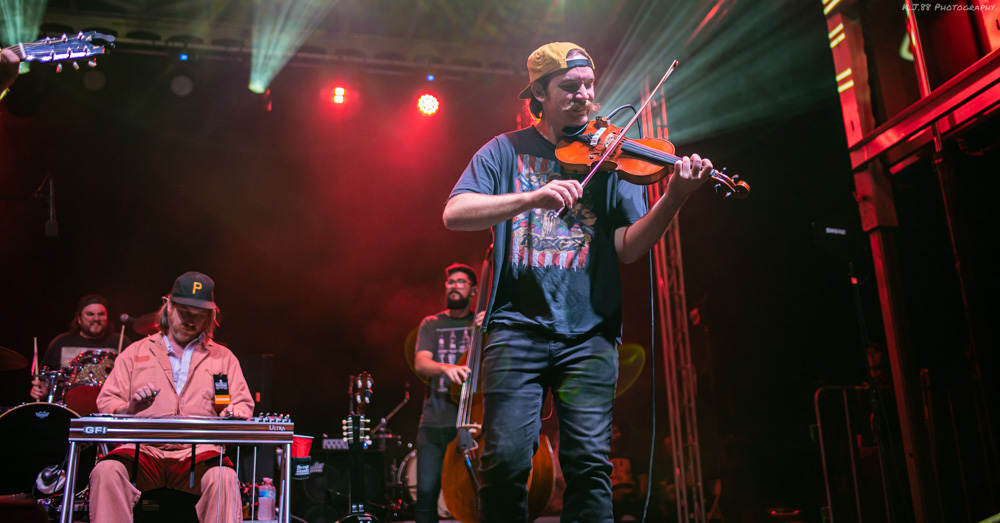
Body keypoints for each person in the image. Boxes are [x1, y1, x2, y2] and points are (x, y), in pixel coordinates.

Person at [442, 42, 713, 522]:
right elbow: (455, 213)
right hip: (515, 329)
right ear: (539, 95)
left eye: (589, 85)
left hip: (589, 334)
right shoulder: (504, 151)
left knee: (589, 467)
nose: (584, 96)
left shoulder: (612, 154)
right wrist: (530, 199)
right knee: (503, 464)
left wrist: (674, 197)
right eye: (569, 87)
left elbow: (628, 247)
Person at [88, 272, 254, 523]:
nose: (191, 320)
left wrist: (235, 411)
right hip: (142, 451)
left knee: (224, 478)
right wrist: (130, 407)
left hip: (197, 454)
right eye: (185, 311)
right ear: (169, 306)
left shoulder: (224, 357)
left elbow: (242, 403)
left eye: (200, 314)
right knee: (106, 470)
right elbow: (107, 403)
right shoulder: (135, 353)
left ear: (210, 315)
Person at [412, 263, 477, 523]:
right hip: (435, 420)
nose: (454, 285)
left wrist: (490, 321)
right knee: (426, 494)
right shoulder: (432, 323)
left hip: (473, 422)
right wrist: (446, 367)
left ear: (474, 290)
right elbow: (420, 363)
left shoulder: (481, 322)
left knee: (476, 491)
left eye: (461, 281)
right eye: (451, 281)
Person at [29, 294, 130, 402]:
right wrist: (42, 389)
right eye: (90, 314)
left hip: (108, 408)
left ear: (107, 316)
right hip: (65, 407)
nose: (96, 318)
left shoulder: (120, 342)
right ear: (79, 318)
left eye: (101, 314)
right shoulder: (60, 342)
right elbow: (45, 380)